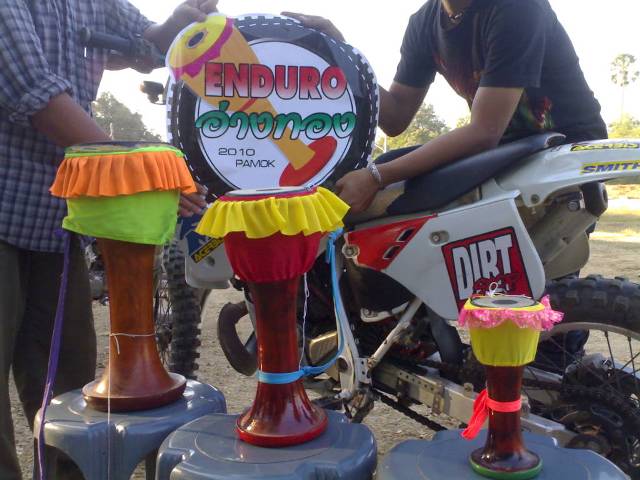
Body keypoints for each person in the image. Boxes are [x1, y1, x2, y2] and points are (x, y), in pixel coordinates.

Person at [0, 1, 216, 478]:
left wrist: (178, 25)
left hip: (56, 218)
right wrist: (142, 170)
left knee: (68, 378)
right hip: (7, 199)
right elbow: (35, 91)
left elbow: (148, 46)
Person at [285, 0, 607, 213]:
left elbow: (484, 132)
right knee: (392, 169)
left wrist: (375, 176)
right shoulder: (424, 23)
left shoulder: (517, 8)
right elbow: (395, 117)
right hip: (506, 150)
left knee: (536, 289)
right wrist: (341, 55)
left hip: (567, 148)